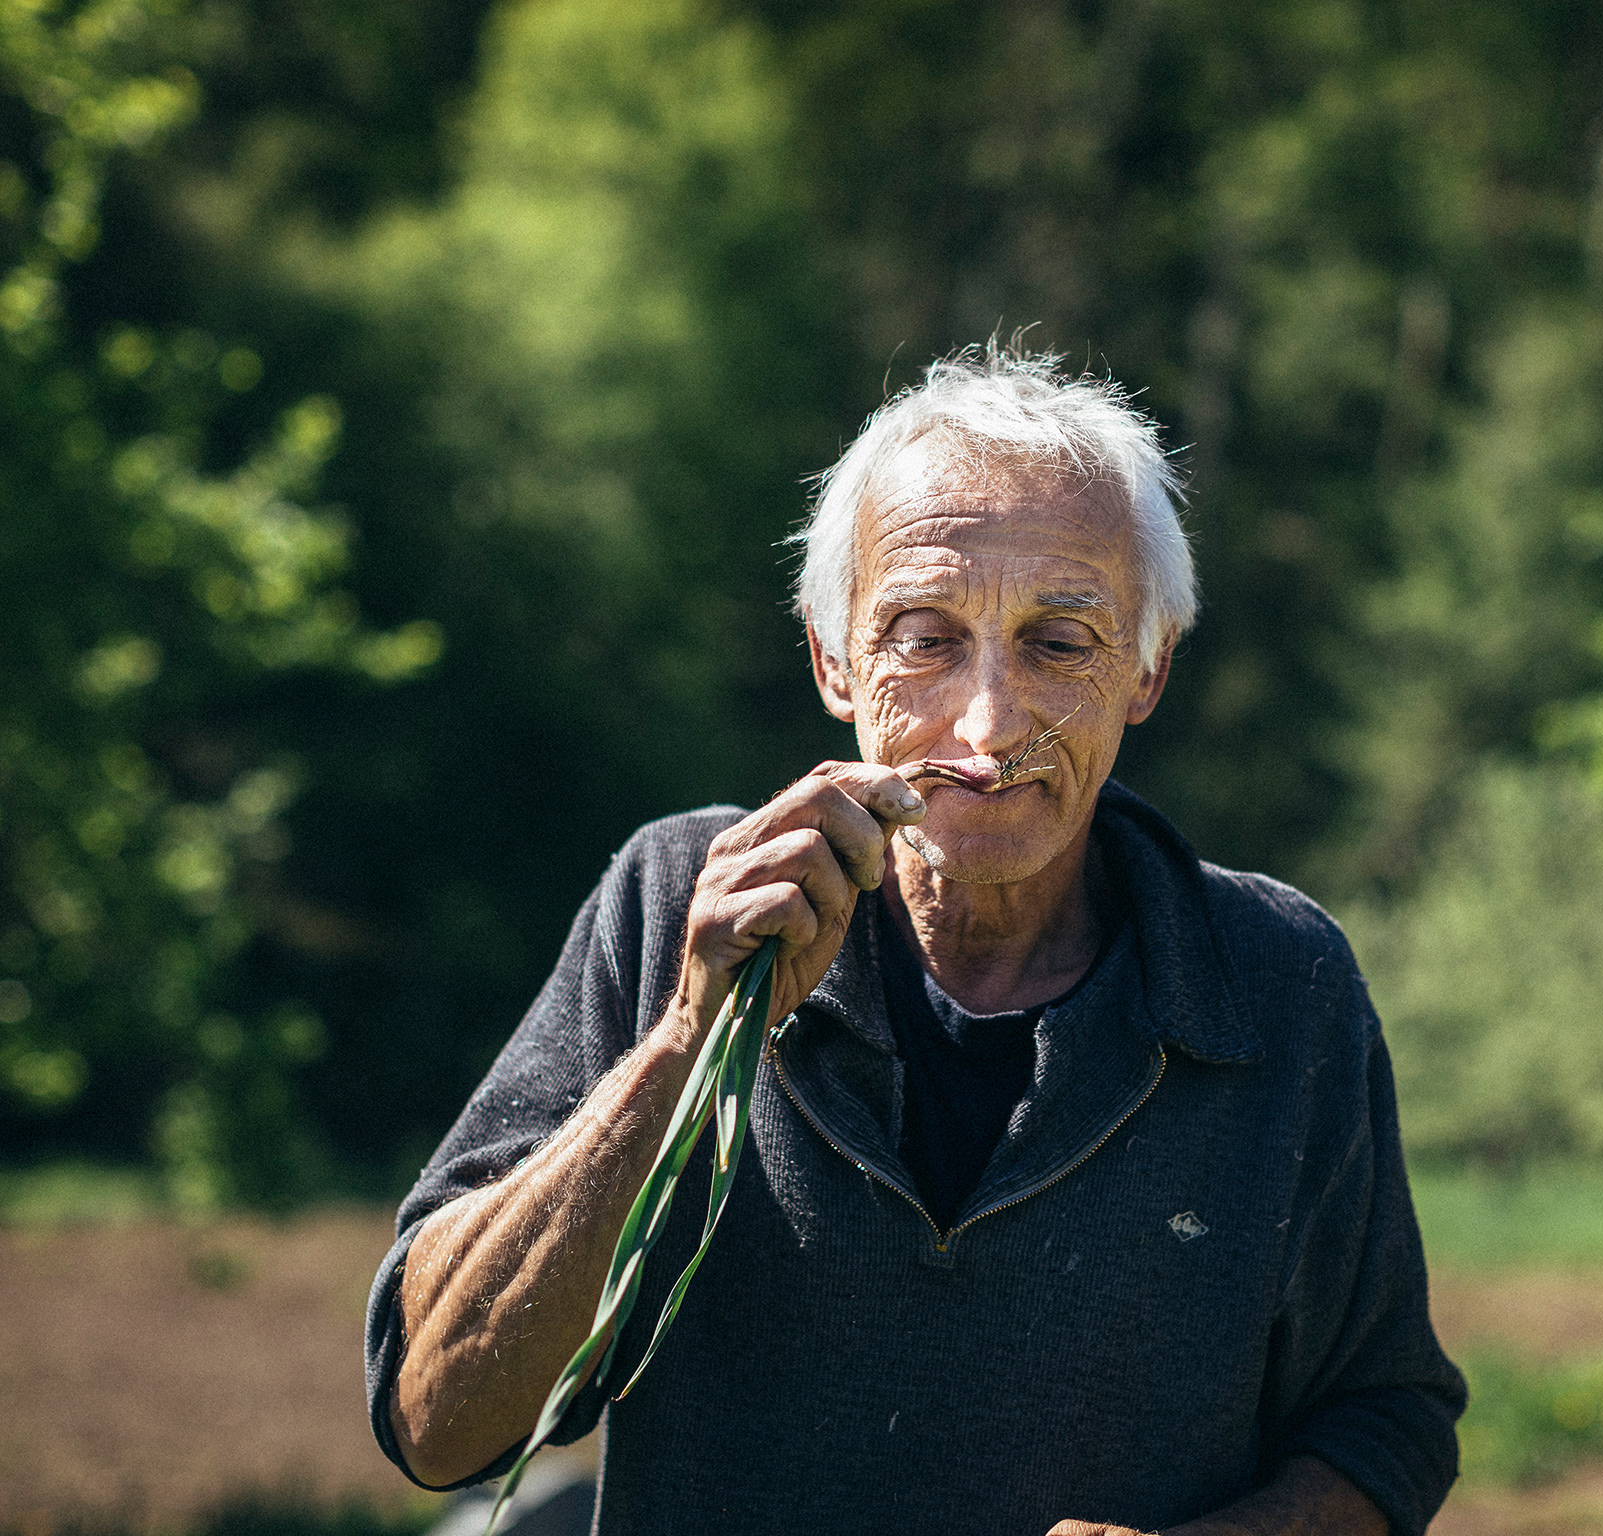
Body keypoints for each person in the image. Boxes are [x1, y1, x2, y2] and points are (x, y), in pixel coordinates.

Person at [366, 347, 1466, 1536]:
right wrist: (690, 1037)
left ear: (1148, 667)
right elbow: (439, 1421)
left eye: (1058, 643)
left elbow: (1385, 1418)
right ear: (835, 660)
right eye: (925, 637)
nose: (987, 725)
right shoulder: (680, 900)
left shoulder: (1275, 977)